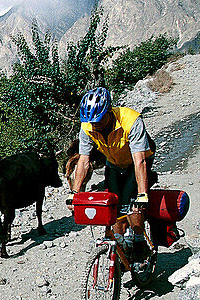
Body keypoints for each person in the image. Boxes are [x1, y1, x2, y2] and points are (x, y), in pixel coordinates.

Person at [66, 86, 156, 259]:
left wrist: (142, 194)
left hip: (136, 161)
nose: (95, 125)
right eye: (91, 122)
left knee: (132, 202)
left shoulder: (131, 120)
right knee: (112, 205)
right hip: (114, 162)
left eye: (98, 120)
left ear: (108, 111)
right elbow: (84, 161)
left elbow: (140, 161)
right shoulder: (87, 126)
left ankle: (139, 242)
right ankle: (120, 247)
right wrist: (75, 193)